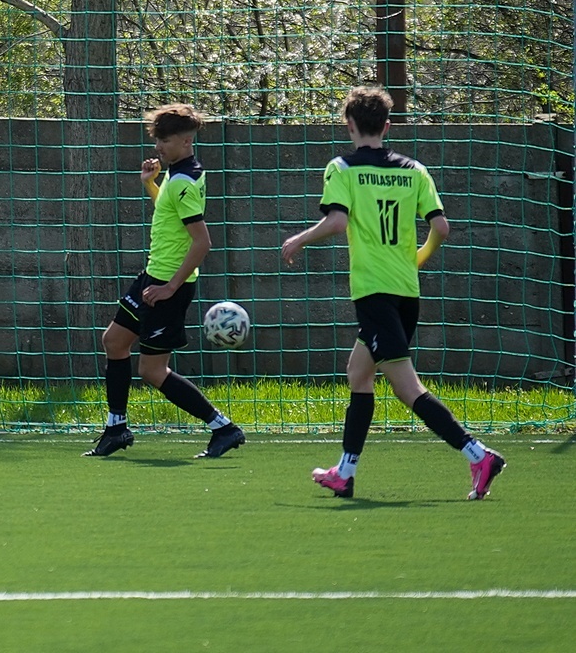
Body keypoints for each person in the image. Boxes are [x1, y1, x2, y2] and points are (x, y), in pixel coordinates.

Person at [283, 86, 504, 501]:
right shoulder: (414, 170)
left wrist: (299, 239)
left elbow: (337, 221)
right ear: (386, 126)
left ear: (349, 125)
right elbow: (441, 228)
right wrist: (416, 259)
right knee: (358, 373)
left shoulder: (341, 168)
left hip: (374, 292)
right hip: (405, 291)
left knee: (407, 388)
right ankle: (345, 473)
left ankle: (478, 455)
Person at [86, 104, 245, 459]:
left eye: (165, 141)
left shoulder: (185, 181)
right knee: (114, 341)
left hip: (168, 286)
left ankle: (223, 427)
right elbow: (169, 211)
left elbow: (202, 242)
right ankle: (116, 428)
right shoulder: (177, 174)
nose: (158, 146)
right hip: (152, 278)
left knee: (153, 370)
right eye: (157, 140)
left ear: (186, 141)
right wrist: (151, 184)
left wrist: (170, 287)